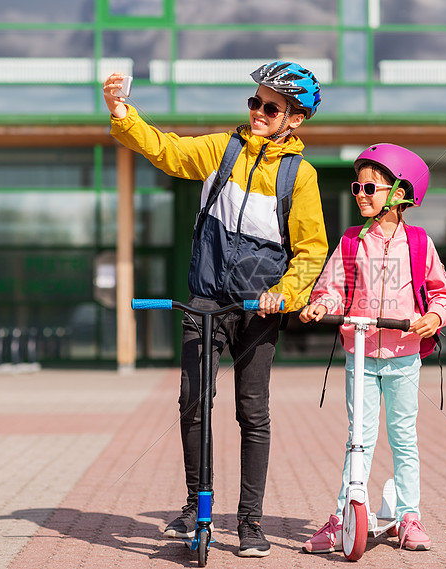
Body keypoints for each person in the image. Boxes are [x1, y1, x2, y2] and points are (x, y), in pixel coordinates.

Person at [102, 61, 328, 558]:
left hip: (259, 308)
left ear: (295, 118)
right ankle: (192, 504)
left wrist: (283, 294)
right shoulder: (222, 150)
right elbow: (166, 150)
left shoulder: (300, 176)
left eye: (271, 107)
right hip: (205, 297)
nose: (258, 112)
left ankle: (250, 522)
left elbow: (311, 250)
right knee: (192, 402)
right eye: (255, 102)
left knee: (253, 411)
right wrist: (122, 112)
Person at [299, 144, 446, 553]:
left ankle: (408, 515)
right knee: (359, 437)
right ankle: (341, 517)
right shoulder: (353, 242)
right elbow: (331, 288)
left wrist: (435, 318)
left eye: (370, 187)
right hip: (360, 353)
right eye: (357, 187)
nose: (360, 194)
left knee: (403, 436)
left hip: (404, 355)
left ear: (400, 192)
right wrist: (322, 305)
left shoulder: (419, 243)